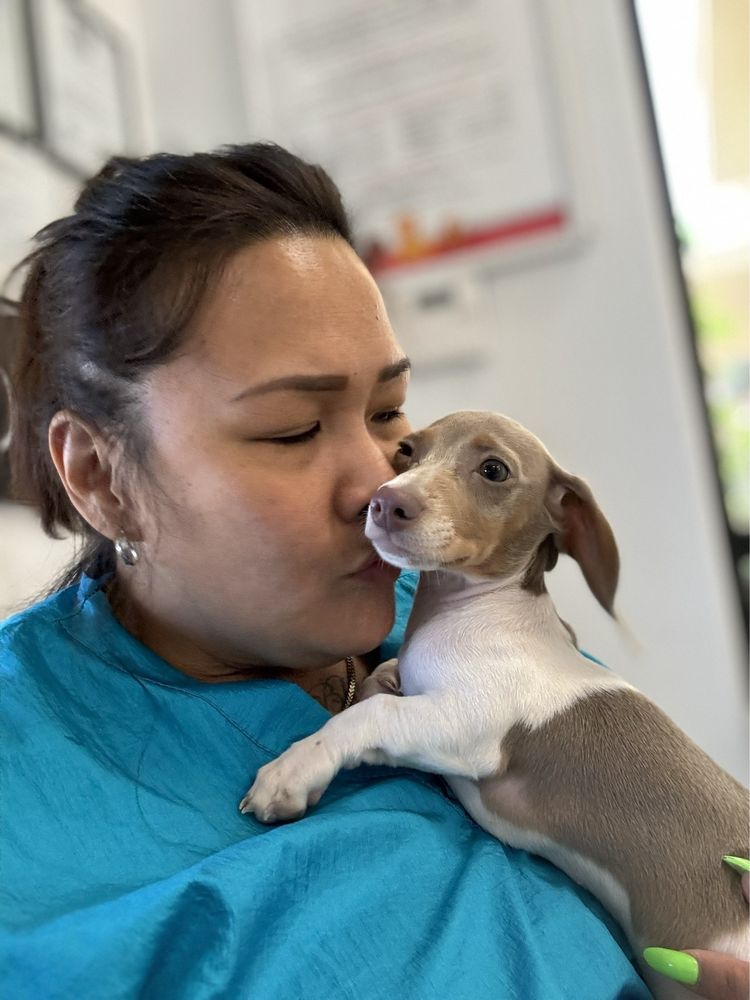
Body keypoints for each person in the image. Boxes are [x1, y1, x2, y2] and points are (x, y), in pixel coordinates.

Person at [0, 143, 742, 999]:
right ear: (100, 477)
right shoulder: (32, 794)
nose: (379, 481)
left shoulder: (460, 611)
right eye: (291, 429)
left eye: (390, 413)